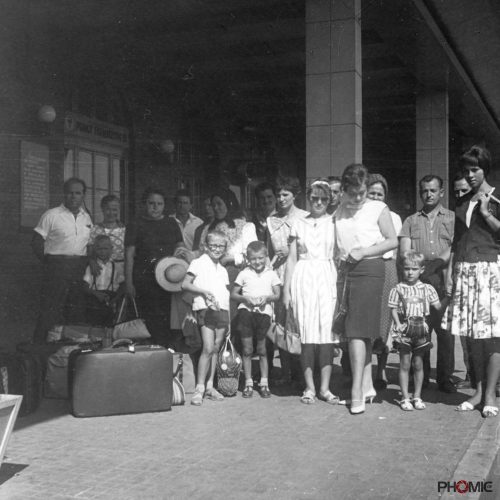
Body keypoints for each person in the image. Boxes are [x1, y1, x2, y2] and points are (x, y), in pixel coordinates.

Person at [334, 164, 397, 414]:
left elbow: (392, 240)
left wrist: (363, 252)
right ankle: (368, 386)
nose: (359, 198)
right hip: (346, 272)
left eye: (362, 192)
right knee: (356, 331)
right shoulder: (339, 211)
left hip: (370, 269)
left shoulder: (377, 208)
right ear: (344, 190)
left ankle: (356, 391)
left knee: (357, 331)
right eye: (353, 193)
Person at [447, 146, 500, 417]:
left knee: (491, 338)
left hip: (489, 270)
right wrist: (451, 271)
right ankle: (478, 391)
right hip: (466, 271)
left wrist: (487, 211)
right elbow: (459, 240)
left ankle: (490, 393)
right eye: (466, 170)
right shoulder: (462, 200)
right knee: (472, 338)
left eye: (474, 169)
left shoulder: (496, 196)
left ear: (484, 169)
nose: (469, 175)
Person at [283, 179, 338, 405]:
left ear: (329, 200)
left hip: (327, 276)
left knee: (326, 337)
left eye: (323, 198)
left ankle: (325, 388)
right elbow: (292, 258)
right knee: (306, 336)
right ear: (308, 198)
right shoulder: (298, 222)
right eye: (314, 198)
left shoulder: (335, 222)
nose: (318, 202)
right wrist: (286, 290)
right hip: (303, 277)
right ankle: (309, 387)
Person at [400, 174, 456, 393]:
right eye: (425, 191)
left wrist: (438, 264)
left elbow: (455, 246)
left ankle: (445, 379)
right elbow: (405, 251)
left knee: (445, 333)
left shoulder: (452, 218)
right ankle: (419, 378)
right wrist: (421, 267)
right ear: (420, 192)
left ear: (441, 192)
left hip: (443, 278)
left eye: (433, 190)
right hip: (419, 281)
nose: (429, 194)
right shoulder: (411, 220)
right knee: (419, 331)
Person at [31, 178, 93, 343]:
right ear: (64, 194)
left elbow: (88, 244)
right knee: (50, 310)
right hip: (56, 266)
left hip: (78, 267)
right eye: (70, 193)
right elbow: (36, 242)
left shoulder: (86, 218)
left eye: (78, 193)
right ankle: (38, 351)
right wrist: (50, 262)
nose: (74, 196)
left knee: (75, 310)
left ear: (83, 195)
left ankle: (69, 351)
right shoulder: (51, 215)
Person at [124, 187, 184, 347]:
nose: (155, 207)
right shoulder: (135, 223)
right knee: (150, 319)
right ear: (144, 204)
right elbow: (129, 254)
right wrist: (129, 283)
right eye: (151, 203)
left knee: (169, 318)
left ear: (165, 205)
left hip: (169, 278)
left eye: (159, 203)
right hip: (144, 279)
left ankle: (167, 353)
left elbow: (181, 248)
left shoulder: (171, 223)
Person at [182, 230, 231, 406]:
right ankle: (199, 388)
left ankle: (211, 386)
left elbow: (224, 292)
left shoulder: (223, 269)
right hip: (205, 310)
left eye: (221, 246)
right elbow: (185, 284)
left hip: (222, 310)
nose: (217, 249)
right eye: (213, 246)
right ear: (205, 246)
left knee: (216, 347)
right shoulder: (197, 263)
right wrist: (204, 292)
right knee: (207, 347)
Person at [267, 176, 308, 384]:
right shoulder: (270, 219)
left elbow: (310, 248)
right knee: (281, 324)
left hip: (299, 272)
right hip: (279, 276)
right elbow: (267, 250)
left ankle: (303, 373)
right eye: (279, 194)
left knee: (299, 325)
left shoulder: (305, 217)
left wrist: (291, 249)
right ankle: (285, 373)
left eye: (286, 194)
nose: (281, 198)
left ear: (295, 195)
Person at [389, 251, 442, 411]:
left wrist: (448, 298)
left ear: (422, 270)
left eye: (414, 269)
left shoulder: (427, 288)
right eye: (407, 269)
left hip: (421, 332)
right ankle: (405, 397)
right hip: (404, 331)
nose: (410, 272)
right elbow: (392, 308)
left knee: (418, 364)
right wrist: (397, 323)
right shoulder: (398, 289)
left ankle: (417, 396)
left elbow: (437, 306)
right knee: (404, 364)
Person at [366, 174, 403, 390]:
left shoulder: (394, 217)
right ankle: (366, 372)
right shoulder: (361, 216)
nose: (376, 197)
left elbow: (395, 250)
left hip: (388, 269)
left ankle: (381, 370)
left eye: (380, 193)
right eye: (372, 193)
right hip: (368, 270)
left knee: (385, 322)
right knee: (368, 321)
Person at [231, 241, 281, 398]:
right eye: (253, 259)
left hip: (264, 314)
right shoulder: (244, 273)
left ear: (266, 257)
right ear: (248, 258)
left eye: (260, 258)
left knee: (262, 350)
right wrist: (246, 299)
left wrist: (266, 298)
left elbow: (277, 295)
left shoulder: (271, 274)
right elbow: (233, 294)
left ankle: (264, 383)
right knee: (247, 350)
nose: (257, 262)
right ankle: (248, 383)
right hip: (246, 314)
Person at [451, 173, 474, 390]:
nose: (459, 195)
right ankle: (472, 374)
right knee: (465, 328)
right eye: (456, 191)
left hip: (485, 272)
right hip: (462, 271)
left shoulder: (485, 208)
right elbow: (455, 244)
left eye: (463, 191)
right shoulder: (458, 212)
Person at [82, 234, 124, 326]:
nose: (102, 252)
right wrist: (96, 294)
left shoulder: (116, 267)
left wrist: (115, 300)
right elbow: (85, 287)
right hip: (94, 299)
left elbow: (122, 287)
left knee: (109, 326)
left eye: (106, 249)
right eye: (99, 249)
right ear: (94, 250)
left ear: (111, 248)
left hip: (111, 301)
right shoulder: (92, 267)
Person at [88, 194, 126, 276]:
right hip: (100, 271)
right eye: (108, 209)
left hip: (120, 272)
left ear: (118, 210)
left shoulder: (124, 230)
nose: (111, 213)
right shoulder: (95, 229)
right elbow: (90, 251)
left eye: (114, 209)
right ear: (102, 209)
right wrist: (92, 262)